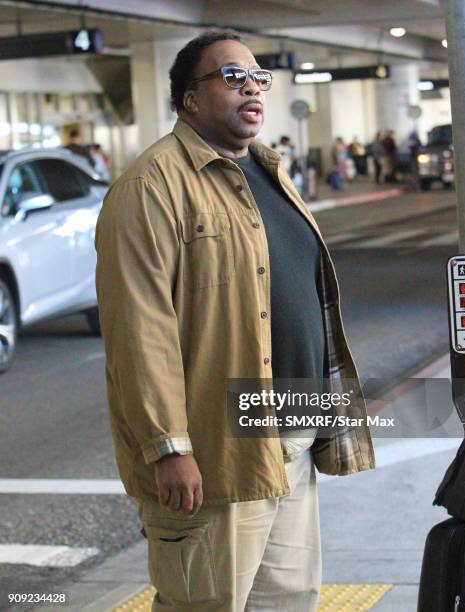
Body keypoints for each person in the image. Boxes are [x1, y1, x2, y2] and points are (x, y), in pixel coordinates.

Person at [95, 30, 375, 612]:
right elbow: (138, 330)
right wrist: (167, 446)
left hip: (290, 433)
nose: (251, 84)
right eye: (230, 75)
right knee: (207, 603)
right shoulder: (151, 187)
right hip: (218, 448)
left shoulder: (269, 173)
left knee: (288, 601)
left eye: (258, 76)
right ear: (190, 99)